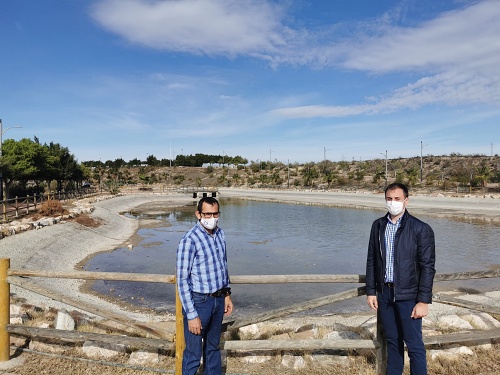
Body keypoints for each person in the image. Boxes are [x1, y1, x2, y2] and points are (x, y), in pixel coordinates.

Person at [365, 183, 435, 375]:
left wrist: (423, 301)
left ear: (406, 200)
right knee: (393, 342)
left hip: (409, 296)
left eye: (397, 199)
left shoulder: (421, 229)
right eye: (389, 199)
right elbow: (372, 260)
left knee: (414, 344)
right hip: (385, 294)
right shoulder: (378, 226)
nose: (392, 203)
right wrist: (371, 291)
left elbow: (427, 267)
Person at [176, 196, 234, 375]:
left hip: (218, 300)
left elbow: (222, 266)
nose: (211, 218)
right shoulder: (190, 240)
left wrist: (227, 294)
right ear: (198, 214)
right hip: (199, 302)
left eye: (215, 214)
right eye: (207, 214)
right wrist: (192, 315)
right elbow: (182, 280)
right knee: (193, 354)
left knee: (213, 348)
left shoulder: (220, 234)